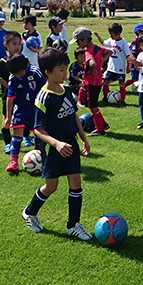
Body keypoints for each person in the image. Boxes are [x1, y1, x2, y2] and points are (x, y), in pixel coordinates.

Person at [21, 48, 92, 240]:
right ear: (48, 72)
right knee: (51, 186)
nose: (65, 73)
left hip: (71, 145)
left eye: (66, 69)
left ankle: (73, 225)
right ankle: (29, 212)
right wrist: (56, 144)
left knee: (76, 182)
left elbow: (74, 115)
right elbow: (37, 129)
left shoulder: (67, 90)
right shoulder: (43, 97)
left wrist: (84, 138)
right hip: (54, 149)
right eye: (61, 70)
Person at [4, 54, 46, 173]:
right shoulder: (13, 78)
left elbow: (45, 88)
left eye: (20, 73)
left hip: (36, 108)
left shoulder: (35, 72)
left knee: (38, 133)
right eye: (15, 73)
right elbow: (10, 98)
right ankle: (13, 161)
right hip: (21, 109)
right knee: (17, 133)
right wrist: (8, 116)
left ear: (26, 64)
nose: (18, 75)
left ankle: (39, 157)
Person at [70, 27, 112, 136]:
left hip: (91, 82)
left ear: (84, 40)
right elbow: (110, 52)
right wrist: (101, 62)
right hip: (98, 81)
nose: (77, 44)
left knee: (93, 107)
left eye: (78, 42)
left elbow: (92, 63)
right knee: (93, 105)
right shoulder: (97, 47)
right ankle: (104, 124)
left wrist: (91, 69)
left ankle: (100, 130)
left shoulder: (88, 52)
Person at [0, 31, 25, 153]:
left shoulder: (23, 60)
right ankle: (8, 143)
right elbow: (0, 78)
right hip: (9, 96)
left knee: (23, 117)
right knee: (7, 118)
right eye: (14, 43)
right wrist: (11, 87)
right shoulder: (3, 62)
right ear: (6, 44)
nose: (17, 46)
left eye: (19, 43)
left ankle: (25, 137)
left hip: (23, 95)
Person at [99, 23, 130, 105]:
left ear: (118, 34)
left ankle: (122, 100)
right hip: (111, 67)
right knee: (106, 81)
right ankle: (105, 97)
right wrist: (98, 36)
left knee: (121, 84)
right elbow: (104, 43)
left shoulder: (123, 43)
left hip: (120, 68)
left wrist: (128, 66)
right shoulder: (111, 40)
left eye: (112, 34)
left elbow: (128, 55)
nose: (111, 36)